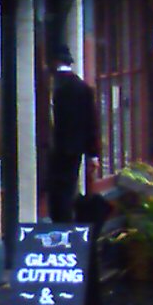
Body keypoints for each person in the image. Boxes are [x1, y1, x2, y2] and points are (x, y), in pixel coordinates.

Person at [48, 47, 100, 224]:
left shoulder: (52, 86)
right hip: (74, 148)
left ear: (54, 62)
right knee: (67, 188)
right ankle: (65, 225)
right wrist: (93, 153)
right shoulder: (83, 88)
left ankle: (60, 224)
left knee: (56, 191)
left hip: (54, 148)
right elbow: (91, 121)